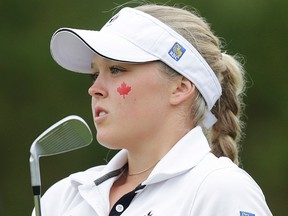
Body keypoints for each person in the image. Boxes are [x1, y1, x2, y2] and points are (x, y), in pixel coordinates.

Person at [34, 3, 272, 216]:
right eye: (95, 73)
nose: (94, 89)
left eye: (116, 69)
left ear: (180, 87)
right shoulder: (64, 196)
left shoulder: (222, 189)